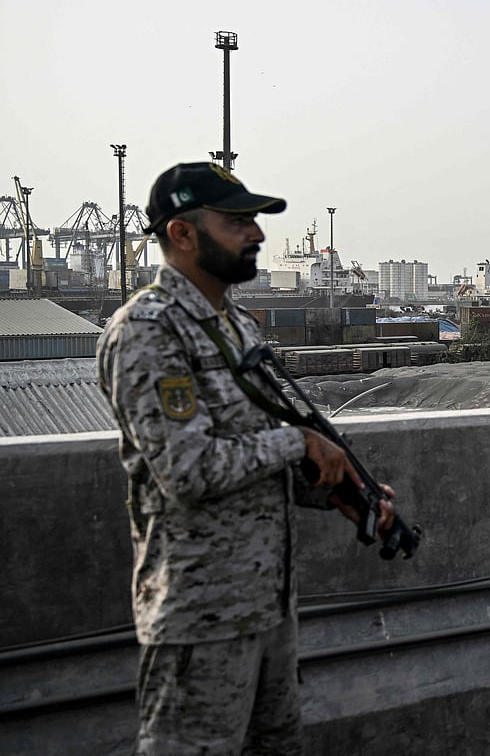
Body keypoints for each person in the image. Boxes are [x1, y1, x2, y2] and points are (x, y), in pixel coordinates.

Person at [97, 162, 394, 755]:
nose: (256, 234)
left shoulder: (234, 326)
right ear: (182, 234)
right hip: (200, 616)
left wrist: (335, 486)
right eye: (237, 222)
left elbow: (252, 451)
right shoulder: (149, 332)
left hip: (268, 606)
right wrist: (301, 444)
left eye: (254, 221)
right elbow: (188, 471)